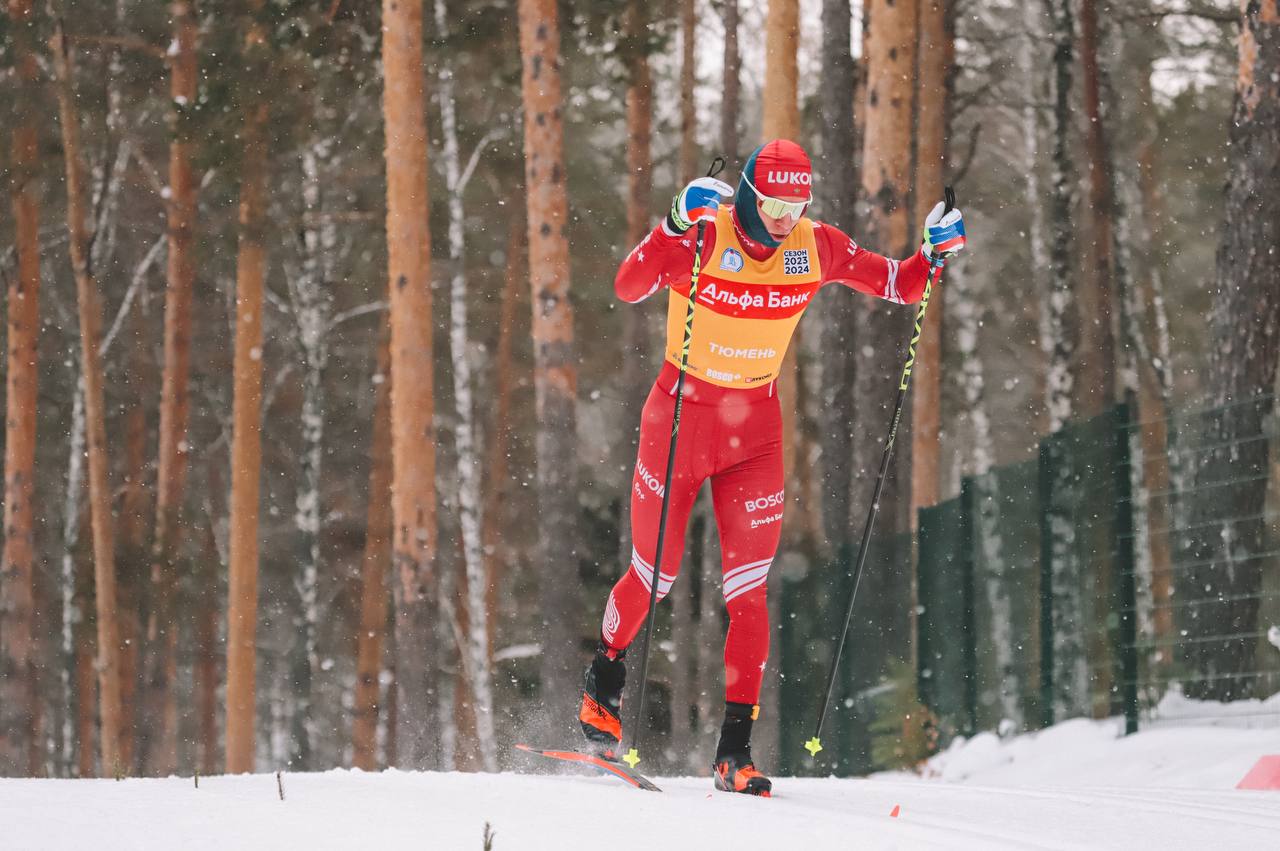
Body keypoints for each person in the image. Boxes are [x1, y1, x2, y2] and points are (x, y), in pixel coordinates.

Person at [577, 139, 967, 796]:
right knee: (655, 574)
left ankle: (734, 753)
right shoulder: (705, 236)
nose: (786, 216)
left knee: (749, 592)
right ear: (750, 195)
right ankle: (603, 683)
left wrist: (933, 253)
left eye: (798, 202)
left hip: (754, 432)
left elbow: (899, 283)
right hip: (678, 416)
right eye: (775, 201)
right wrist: (672, 221)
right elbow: (628, 284)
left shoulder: (814, 246)